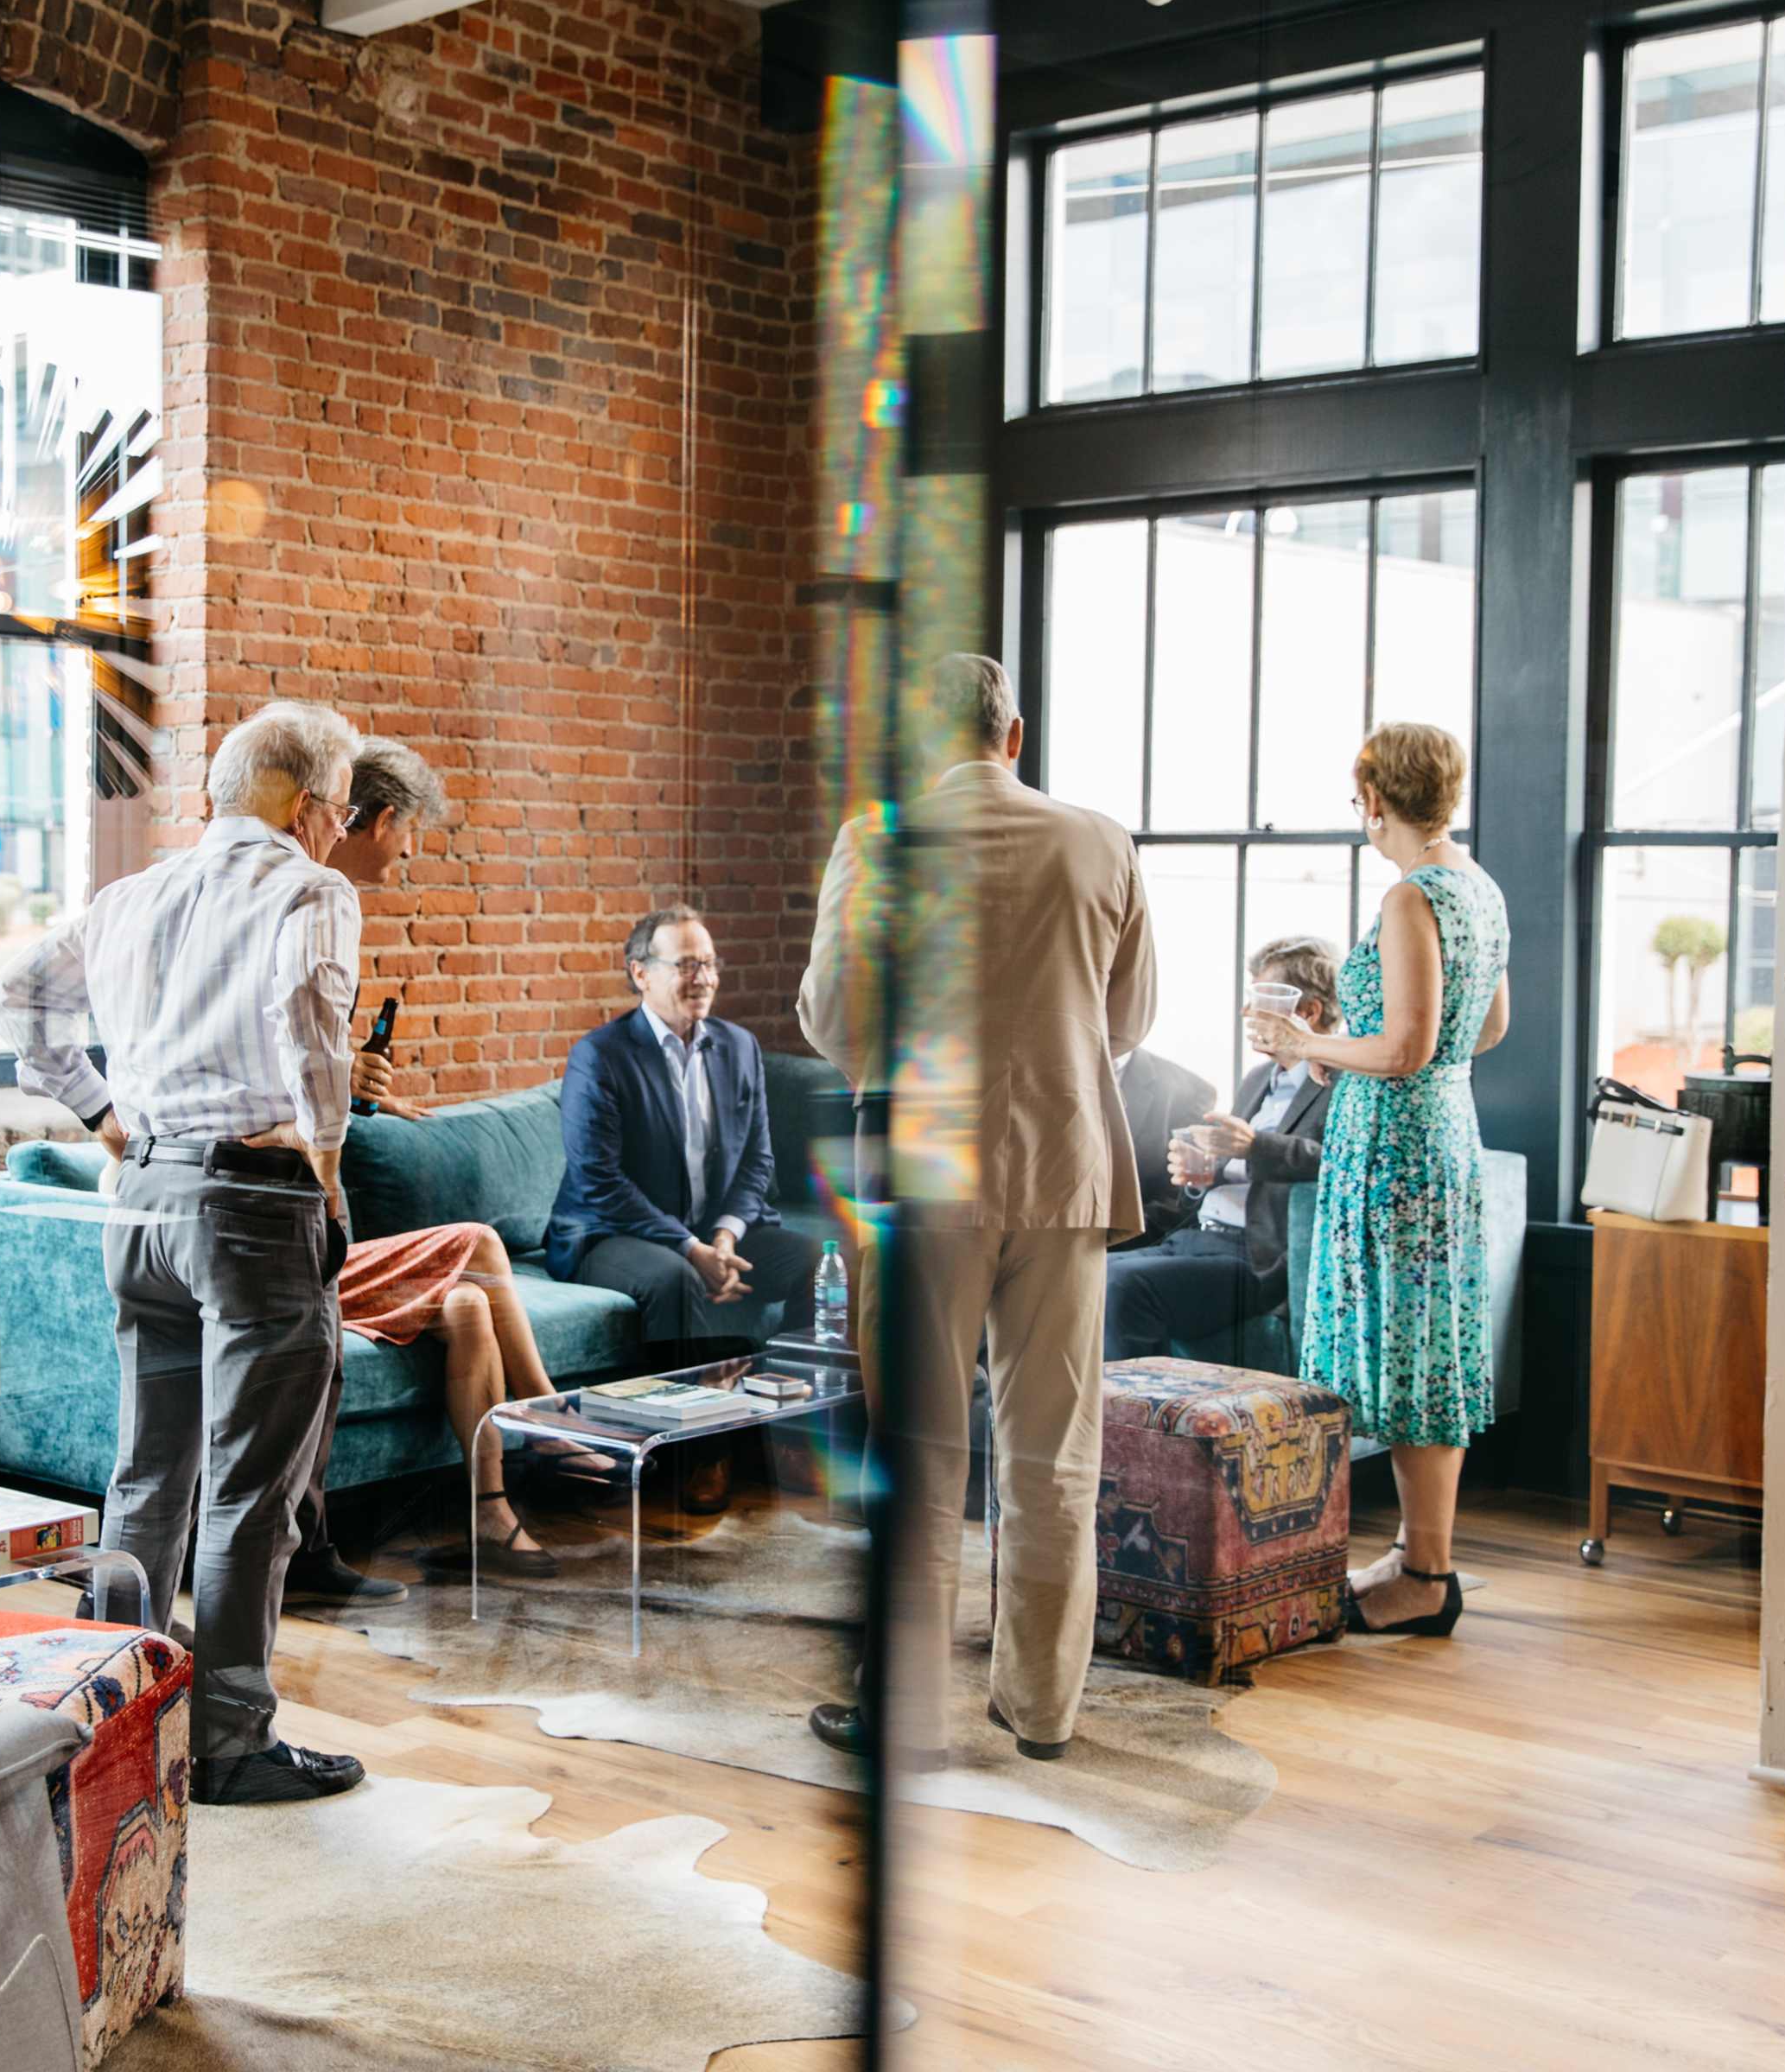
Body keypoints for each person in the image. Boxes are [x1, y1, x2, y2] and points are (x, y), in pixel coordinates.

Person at [0, 699, 370, 1806]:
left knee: (148, 1473)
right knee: (254, 1488)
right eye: (340, 812)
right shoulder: (310, 889)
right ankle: (232, 1740)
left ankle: (111, 1718)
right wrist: (330, 1161)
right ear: (303, 807)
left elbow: (18, 994)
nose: (340, 834)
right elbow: (308, 1017)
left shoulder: (131, 896)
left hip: (141, 1202)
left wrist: (103, 1113)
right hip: (252, 1204)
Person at [796, 652, 1154, 1771]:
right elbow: (1130, 1014)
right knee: (1053, 1454)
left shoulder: (877, 841)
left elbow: (831, 1017)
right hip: (1064, 1166)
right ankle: (1042, 1708)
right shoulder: (1101, 840)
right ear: (1015, 734)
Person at [281, 739, 618, 1591]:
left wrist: (359, 1092)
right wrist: (334, 1088)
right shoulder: (311, 903)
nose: (407, 853)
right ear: (381, 818)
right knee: (473, 1244)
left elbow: (294, 1072)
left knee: (470, 1307)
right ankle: (548, 1415)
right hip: (283, 1243)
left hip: (315, 1234)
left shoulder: (320, 908)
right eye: (410, 835)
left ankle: (491, 1522)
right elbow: (263, 1086)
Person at [1243, 721, 1511, 1639]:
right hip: (1442, 1135)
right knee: (1422, 1341)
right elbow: (1484, 1028)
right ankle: (1416, 1552)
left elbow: (1408, 1044)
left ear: (1372, 802)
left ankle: (1428, 1574)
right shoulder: (1478, 888)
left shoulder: (1410, 900)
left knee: (1406, 1347)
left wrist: (1307, 1044)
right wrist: (1356, 1058)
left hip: (1398, 1153)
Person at [543, 902, 824, 1510]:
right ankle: (702, 1454)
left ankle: (790, 1439)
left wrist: (724, 1236)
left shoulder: (739, 1047)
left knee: (817, 1260)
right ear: (640, 973)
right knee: (676, 1283)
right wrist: (690, 1249)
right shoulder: (602, 1056)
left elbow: (758, 1162)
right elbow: (600, 1179)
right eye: (685, 964)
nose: (703, 977)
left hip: (707, 1231)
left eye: (709, 963)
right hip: (606, 1232)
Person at [1106, 937, 1339, 1370]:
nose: (1246, 1013)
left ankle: (1147, 1431)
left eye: (1261, 998)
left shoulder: (1340, 1085)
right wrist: (1200, 1175)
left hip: (1255, 1258)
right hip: (1195, 1239)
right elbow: (1229, 1170)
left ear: (1307, 1013)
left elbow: (1339, 1163)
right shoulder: (1257, 1079)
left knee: (1118, 1283)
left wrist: (1254, 1146)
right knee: (1080, 1275)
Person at [1115, 1045, 1220, 1249]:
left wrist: (1108, 1239)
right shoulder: (1039, 1069)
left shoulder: (1190, 1092)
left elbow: (1176, 1199)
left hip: (1121, 1243)